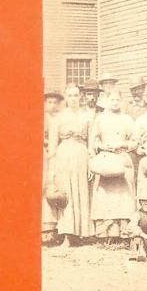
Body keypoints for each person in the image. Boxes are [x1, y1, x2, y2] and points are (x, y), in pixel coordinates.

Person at [47, 85, 93, 246]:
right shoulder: (59, 117)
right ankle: (66, 235)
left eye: (76, 95)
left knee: (80, 191)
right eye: (70, 96)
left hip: (81, 154)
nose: (73, 98)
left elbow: (91, 142)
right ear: (65, 98)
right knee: (66, 192)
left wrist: (90, 163)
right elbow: (53, 145)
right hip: (63, 154)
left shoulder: (88, 116)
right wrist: (52, 167)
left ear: (80, 96)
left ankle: (80, 234)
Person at [89, 89, 138, 239]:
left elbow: (135, 140)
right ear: (107, 101)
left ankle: (124, 232)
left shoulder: (127, 119)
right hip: (106, 159)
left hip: (121, 157)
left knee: (123, 194)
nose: (115, 103)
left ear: (121, 102)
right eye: (112, 100)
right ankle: (107, 233)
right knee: (105, 194)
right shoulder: (100, 119)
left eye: (118, 100)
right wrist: (101, 147)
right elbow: (93, 140)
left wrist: (123, 144)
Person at [42, 91, 64, 243]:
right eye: (49, 102)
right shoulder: (42, 117)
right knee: (45, 188)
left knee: (58, 188)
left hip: (58, 155)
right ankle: (45, 228)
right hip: (44, 155)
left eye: (55, 102)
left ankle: (57, 228)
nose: (52, 105)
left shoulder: (62, 117)